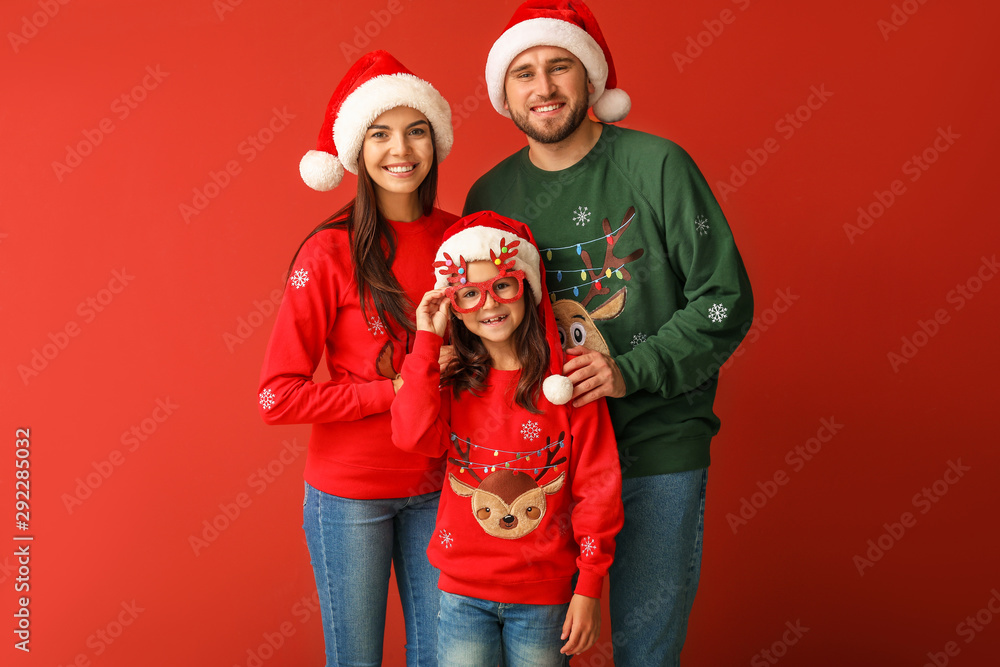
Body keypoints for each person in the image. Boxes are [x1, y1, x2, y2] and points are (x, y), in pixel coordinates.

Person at [463, 2, 754, 664]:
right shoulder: (491, 194)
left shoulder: (658, 166)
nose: (543, 88)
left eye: (559, 66)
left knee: (647, 650)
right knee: (536, 652)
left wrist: (631, 367)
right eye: (524, 73)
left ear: (588, 77)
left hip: (656, 448)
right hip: (539, 466)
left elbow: (724, 300)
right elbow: (479, 331)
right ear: (502, 92)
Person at [258, 50, 456, 666]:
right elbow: (277, 396)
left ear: (436, 142)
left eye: (416, 130)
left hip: (444, 487)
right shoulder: (328, 251)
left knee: (445, 656)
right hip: (349, 498)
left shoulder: (463, 238)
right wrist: (392, 392)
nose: (401, 149)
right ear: (356, 151)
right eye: (380, 133)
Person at [390, 211, 623, 666]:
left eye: (503, 285)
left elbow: (598, 488)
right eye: (469, 294)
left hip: (544, 596)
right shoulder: (451, 382)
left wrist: (589, 586)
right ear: (452, 305)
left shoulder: (570, 382)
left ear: (528, 288)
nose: (489, 304)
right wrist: (425, 342)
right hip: (462, 595)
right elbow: (410, 434)